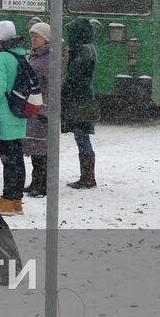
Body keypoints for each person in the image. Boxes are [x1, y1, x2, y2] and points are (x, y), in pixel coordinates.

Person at [0, 19, 29, 214]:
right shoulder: (20, 54)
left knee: (9, 161)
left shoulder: (2, 56)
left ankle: (7, 200)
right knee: (17, 159)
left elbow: (0, 86)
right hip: (19, 113)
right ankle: (17, 200)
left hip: (5, 113)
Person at [62, 18, 99, 189]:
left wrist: (63, 90)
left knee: (81, 135)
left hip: (80, 99)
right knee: (81, 135)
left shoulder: (83, 51)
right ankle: (87, 176)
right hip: (83, 97)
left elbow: (74, 77)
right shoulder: (87, 48)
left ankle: (87, 178)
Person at [22, 22, 51, 197]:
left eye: (37, 36)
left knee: (42, 149)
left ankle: (43, 185)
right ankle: (36, 182)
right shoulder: (35, 55)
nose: (33, 39)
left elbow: (51, 87)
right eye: (32, 35)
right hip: (33, 106)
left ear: (46, 38)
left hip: (41, 110)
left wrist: (44, 109)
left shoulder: (48, 59)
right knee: (34, 146)